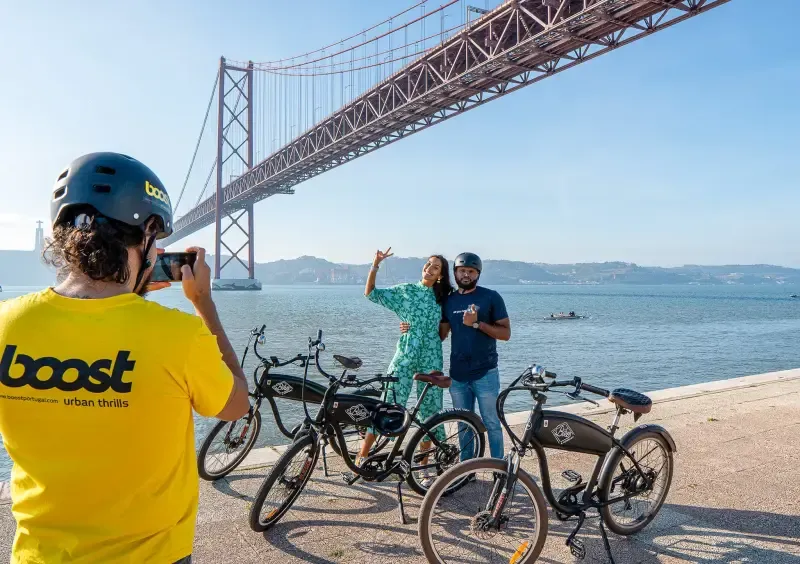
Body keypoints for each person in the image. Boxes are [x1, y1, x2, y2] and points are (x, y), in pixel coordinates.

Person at [0, 152, 250, 564]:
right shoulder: (178, 335)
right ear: (148, 231)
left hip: (37, 555)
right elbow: (236, 405)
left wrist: (122, 299)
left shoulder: (8, 324)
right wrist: (204, 304)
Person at [357, 247, 453, 481]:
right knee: (389, 401)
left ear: (441, 274)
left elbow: (443, 333)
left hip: (431, 356)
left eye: (436, 267)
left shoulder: (445, 298)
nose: (429, 268)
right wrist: (375, 264)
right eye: (428, 264)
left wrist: (423, 333)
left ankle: (424, 466)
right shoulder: (407, 291)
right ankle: (363, 457)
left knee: (430, 408)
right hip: (405, 354)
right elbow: (370, 293)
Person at [404, 252, 510, 460]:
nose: (466, 275)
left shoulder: (491, 297)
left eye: (471, 271)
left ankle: (499, 469)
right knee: (463, 423)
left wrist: (477, 323)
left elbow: (505, 333)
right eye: (462, 271)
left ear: (478, 274)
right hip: (458, 375)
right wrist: (409, 327)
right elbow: (440, 335)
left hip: (485, 373)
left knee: (491, 423)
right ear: (454, 272)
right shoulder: (449, 301)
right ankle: (466, 469)